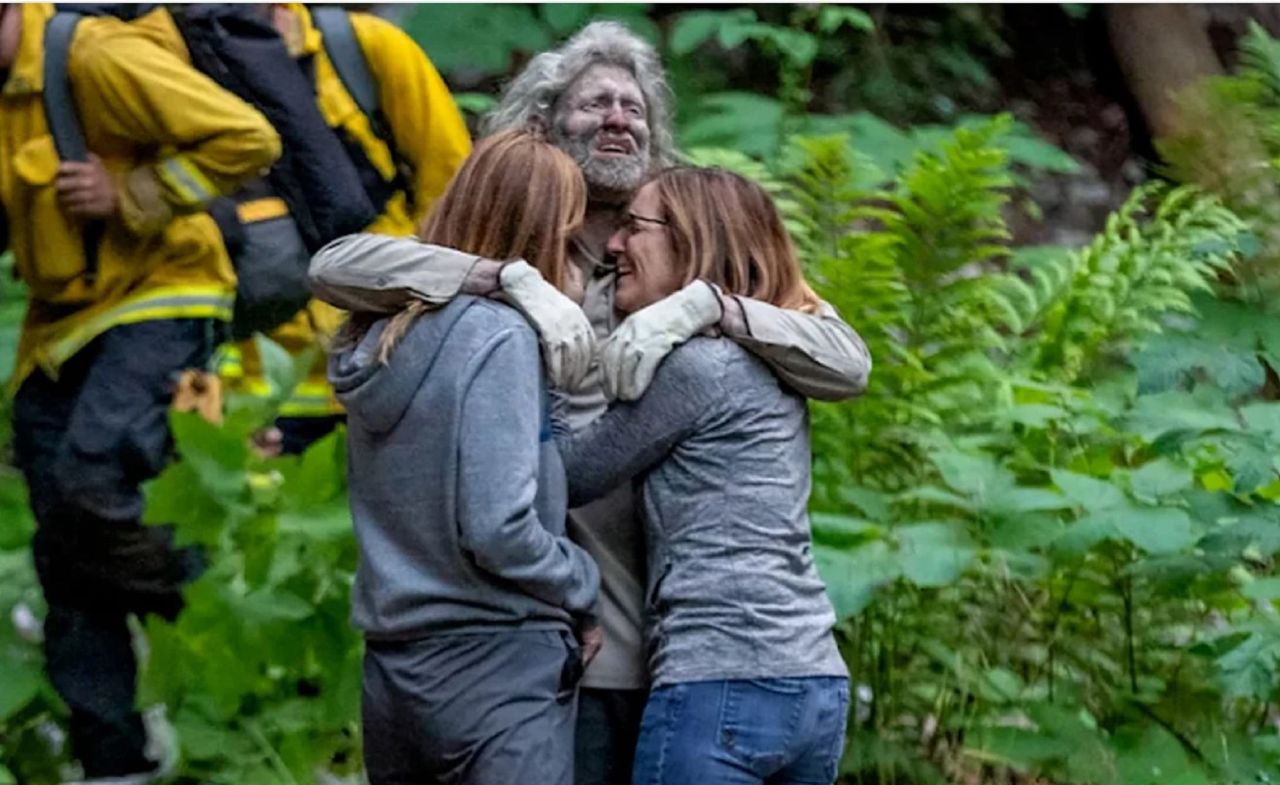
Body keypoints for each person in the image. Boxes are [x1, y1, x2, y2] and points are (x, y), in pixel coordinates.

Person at [310, 21, 870, 784]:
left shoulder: (678, 257)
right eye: (594, 103)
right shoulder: (518, 252)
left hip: (690, 652)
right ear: (541, 123)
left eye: (633, 107)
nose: (618, 118)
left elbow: (846, 361)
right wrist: (509, 279)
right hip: (570, 644)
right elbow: (340, 265)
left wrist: (709, 306)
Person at [0, 3, 281, 782]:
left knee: (95, 477)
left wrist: (136, 189)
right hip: (60, 325)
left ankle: (198, 611)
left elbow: (248, 137)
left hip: (165, 295)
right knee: (60, 537)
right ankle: (113, 754)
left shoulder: (93, 57)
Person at [558, 166, 850, 785]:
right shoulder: (768, 354)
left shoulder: (697, 366)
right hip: (814, 678)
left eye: (634, 228)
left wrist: (540, 374)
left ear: (692, 239)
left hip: (718, 682)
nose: (615, 245)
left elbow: (575, 474)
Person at [331, 130, 599, 785]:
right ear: (541, 236)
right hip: (494, 669)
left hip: (393, 673)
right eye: (570, 235)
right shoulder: (500, 337)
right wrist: (583, 581)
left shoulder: (383, 336)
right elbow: (497, 526)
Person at [222, 2, 472, 456]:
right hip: (260, 391)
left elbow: (458, 202)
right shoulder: (178, 67)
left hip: (389, 372)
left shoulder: (362, 49)